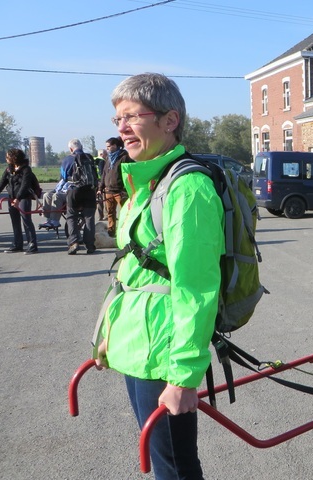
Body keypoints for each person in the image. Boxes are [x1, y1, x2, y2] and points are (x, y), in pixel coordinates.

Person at [93, 72, 224, 479]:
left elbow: (196, 287)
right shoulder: (146, 182)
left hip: (164, 354)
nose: (122, 128)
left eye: (132, 116)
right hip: (137, 345)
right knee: (163, 461)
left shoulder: (188, 189)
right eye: (118, 120)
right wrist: (108, 336)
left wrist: (185, 376)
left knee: (175, 467)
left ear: (169, 120)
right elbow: (131, 276)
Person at [0, 149, 39, 254]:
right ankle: (17, 244)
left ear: (14, 158)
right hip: (11, 198)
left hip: (23, 197)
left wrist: (18, 198)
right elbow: (1, 183)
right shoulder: (9, 170)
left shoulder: (26, 169)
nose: (6, 158)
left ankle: (32, 245)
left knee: (26, 220)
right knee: (15, 222)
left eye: (8, 157)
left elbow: (25, 185)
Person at [63, 138, 97, 255]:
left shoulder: (68, 159)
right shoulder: (89, 157)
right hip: (89, 191)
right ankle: (90, 245)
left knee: (71, 216)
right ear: (81, 147)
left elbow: (63, 176)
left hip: (74, 191)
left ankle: (74, 243)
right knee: (89, 218)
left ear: (71, 149)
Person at [97, 136, 132, 237]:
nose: (107, 149)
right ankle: (111, 231)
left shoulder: (125, 157)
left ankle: (125, 231)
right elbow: (104, 174)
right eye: (106, 147)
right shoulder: (108, 158)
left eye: (109, 146)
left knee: (125, 213)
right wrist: (100, 188)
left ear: (115, 146)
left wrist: (126, 189)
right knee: (110, 213)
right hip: (108, 191)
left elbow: (129, 174)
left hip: (120, 191)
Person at [94, 149, 107, 221]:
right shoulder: (102, 161)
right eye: (106, 154)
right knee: (103, 199)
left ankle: (100, 216)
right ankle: (103, 215)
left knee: (98, 199)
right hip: (100, 182)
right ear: (102, 154)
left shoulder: (93, 160)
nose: (107, 155)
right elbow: (102, 173)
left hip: (94, 181)